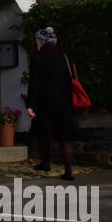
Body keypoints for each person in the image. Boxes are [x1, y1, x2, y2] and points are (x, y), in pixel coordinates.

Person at [26, 26, 77, 179]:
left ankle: (46, 163)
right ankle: (69, 171)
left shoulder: (38, 59)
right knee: (65, 138)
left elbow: (35, 84)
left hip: (45, 103)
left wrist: (30, 105)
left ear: (41, 42)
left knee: (44, 134)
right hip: (65, 103)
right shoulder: (65, 57)